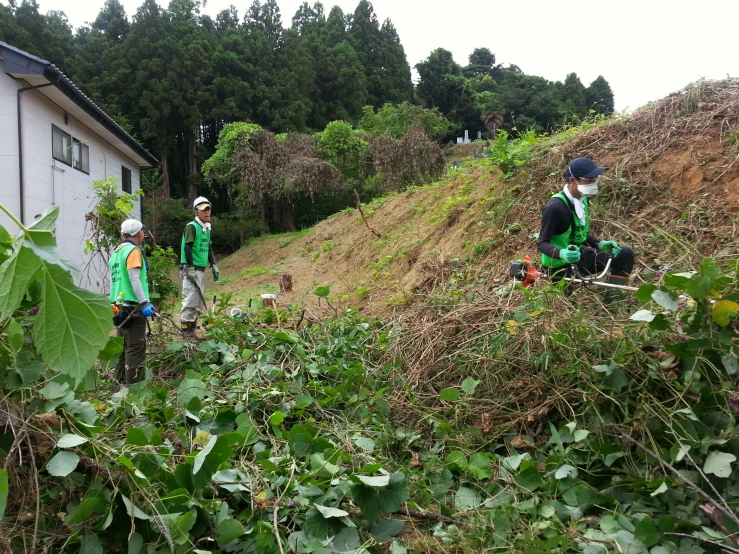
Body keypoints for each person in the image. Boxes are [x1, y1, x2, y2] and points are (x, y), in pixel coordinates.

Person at [537, 157, 634, 287]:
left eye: (595, 180)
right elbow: (542, 243)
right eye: (589, 180)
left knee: (625, 254)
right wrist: (563, 253)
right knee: (570, 306)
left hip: (579, 258)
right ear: (572, 180)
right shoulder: (555, 207)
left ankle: (613, 298)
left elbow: (577, 234)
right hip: (558, 269)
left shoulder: (582, 200)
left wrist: (599, 244)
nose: (594, 183)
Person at [109, 219, 156, 384]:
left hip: (118, 306)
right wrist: (144, 303)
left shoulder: (116, 252)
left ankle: (119, 384)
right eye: (143, 231)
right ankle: (134, 389)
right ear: (138, 233)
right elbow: (134, 279)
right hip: (132, 308)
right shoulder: (133, 251)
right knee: (136, 348)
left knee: (124, 347)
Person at [180, 196, 219, 333]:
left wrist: (214, 265)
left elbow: (209, 248)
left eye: (208, 209)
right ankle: (186, 333)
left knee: (198, 303)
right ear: (196, 212)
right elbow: (187, 247)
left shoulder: (206, 228)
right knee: (190, 301)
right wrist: (190, 267)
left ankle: (192, 332)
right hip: (190, 269)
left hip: (200, 270)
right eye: (203, 210)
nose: (207, 212)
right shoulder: (192, 227)